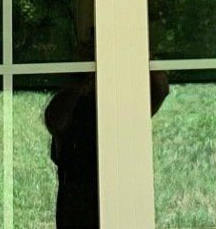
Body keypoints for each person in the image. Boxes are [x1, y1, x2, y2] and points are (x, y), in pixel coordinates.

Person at [45, 71, 170, 227]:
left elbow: (161, 87)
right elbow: (55, 120)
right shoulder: (73, 105)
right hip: (79, 203)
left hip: (113, 197)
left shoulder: (120, 107)